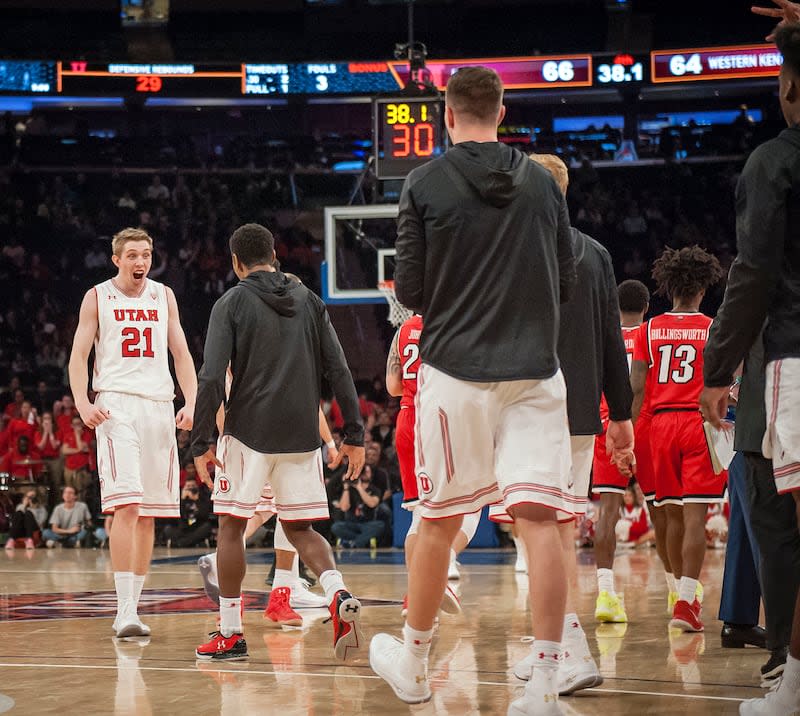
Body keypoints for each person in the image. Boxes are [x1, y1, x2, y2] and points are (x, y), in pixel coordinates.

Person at [369, 66, 595, 715]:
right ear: (502, 110)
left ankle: (414, 663)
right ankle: (546, 687)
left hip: (454, 372)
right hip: (534, 371)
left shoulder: (423, 182)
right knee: (542, 524)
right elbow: (565, 282)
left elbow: (408, 292)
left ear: (446, 113)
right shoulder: (541, 185)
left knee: (437, 520)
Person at [191, 223, 365, 662]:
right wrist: (355, 435)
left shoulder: (230, 302)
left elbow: (211, 376)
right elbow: (340, 371)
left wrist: (200, 441)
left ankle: (230, 634)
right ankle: (337, 591)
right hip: (303, 434)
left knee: (231, 528)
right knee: (301, 529)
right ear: (275, 254)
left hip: (249, 432)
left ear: (236, 263)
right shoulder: (310, 300)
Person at [497, 153, 633, 698]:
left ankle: (566, 648)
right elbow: (611, 341)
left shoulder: (511, 248)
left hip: (529, 407)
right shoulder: (596, 254)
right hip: (580, 413)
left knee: (541, 532)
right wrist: (620, 414)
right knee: (553, 529)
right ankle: (548, 643)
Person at [699, 22, 800, 715]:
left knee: (782, 527)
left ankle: (791, 671)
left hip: (790, 360)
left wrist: (718, 364)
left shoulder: (774, 162)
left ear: (788, 85)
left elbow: (754, 271)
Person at [68, 227, 197, 639]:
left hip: (159, 407)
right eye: (133, 256)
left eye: (146, 254)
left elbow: (181, 353)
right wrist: (84, 403)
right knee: (126, 506)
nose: (141, 262)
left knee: (148, 516)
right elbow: (78, 358)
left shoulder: (164, 295)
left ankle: (134, 607)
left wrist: (191, 402)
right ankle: (123, 609)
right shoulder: (97, 296)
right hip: (116, 405)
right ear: (117, 260)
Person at [631, 246, 724, 634]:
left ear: (669, 290)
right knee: (694, 518)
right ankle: (687, 600)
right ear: (702, 290)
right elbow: (727, 387)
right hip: (699, 424)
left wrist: (629, 441)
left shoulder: (648, 329)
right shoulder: (715, 328)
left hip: (659, 427)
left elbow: (636, 389)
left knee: (668, 515)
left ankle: (676, 593)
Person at [385, 311, 480, 596]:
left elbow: (392, 387)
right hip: (439, 421)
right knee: (470, 505)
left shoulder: (402, 331)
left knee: (418, 515)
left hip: (407, 422)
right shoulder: (450, 322)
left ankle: (413, 597)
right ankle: (447, 558)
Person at [590, 279, 666, 622]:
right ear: (646, 308)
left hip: (607, 426)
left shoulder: (601, 336)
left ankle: (606, 594)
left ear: (613, 306)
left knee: (607, 512)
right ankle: (677, 592)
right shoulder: (651, 334)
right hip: (647, 427)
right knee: (662, 511)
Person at [331, 465, 386, 548]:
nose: (366, 473)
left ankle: (351, 542)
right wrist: (346, 488)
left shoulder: (375, 489)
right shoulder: (350, 490)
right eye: (364, 472)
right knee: (336, 527)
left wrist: (359, 488)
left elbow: (372, 504)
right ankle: (362, 541)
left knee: (380, 525)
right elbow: (344, 508)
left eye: (368, 471)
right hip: (351, 524)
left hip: (367, 524)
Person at [163, 477, 213, 548]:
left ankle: (181, 543)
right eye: (188, 487)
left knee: (207, 527)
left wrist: (196, 500)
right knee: (168, 529)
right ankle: (189, 542)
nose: (191, 489)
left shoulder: (202, 498)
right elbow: (177, 516)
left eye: (193, 486)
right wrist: (182, 500)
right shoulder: (179, 500)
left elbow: (204, 515)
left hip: (197, 527)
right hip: (182, 527)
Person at [59, 414, 93, 499]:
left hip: (81, 469)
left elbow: (81, 446)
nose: (76, 426)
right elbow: (64, 450)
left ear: (82, 424)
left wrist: (77, 436)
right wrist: (78, 450)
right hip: (69, 468)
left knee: (81, 493)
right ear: (71, 425)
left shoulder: (87, 435)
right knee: (70, 491)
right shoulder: (68, 435)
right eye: (74, 424)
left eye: (78, 424)